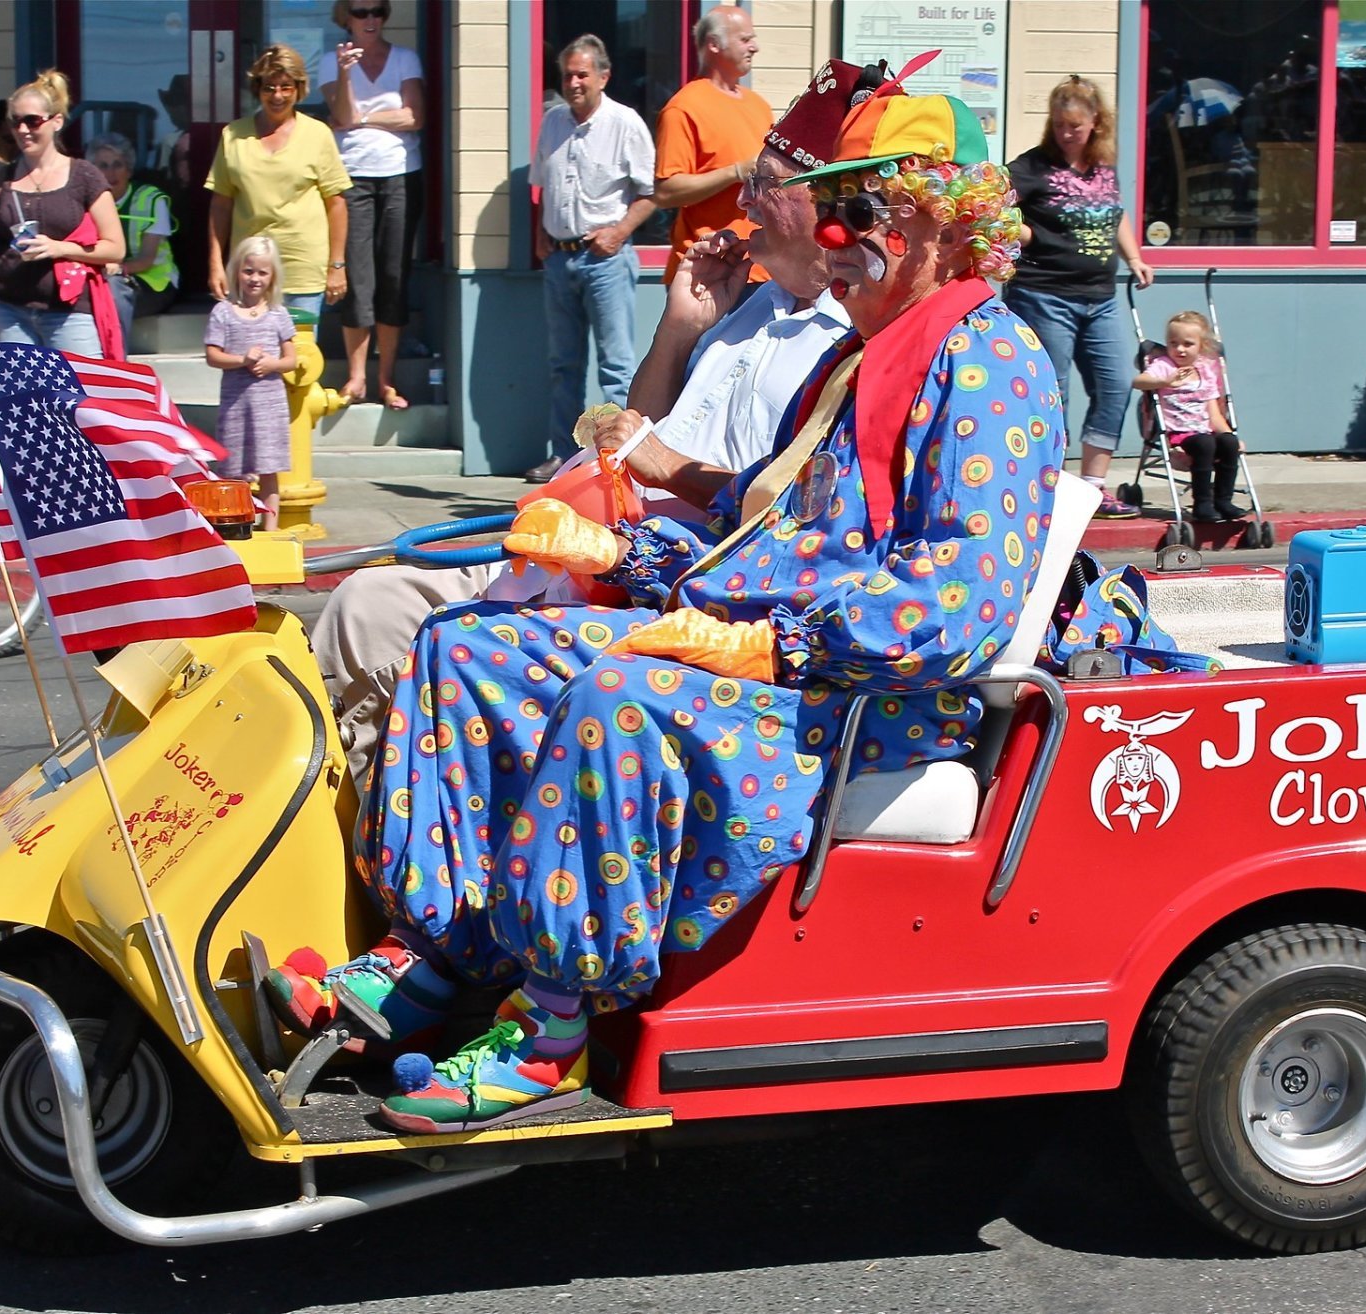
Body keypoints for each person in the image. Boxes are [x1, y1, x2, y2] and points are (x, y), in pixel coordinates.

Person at [272, 82, 1065, 1135]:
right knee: (471, 646)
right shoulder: (861, 357)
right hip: (765, 658)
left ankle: (551, 1030)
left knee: (620, 694)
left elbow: (952, 607)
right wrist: (621, 549)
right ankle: (435, 958)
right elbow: (764, 527)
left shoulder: (988, 363)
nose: (829, 238)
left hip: (864, 699)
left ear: (923, 224)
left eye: (853, 213)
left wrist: (761, 640)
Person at [308, 59, 883, 797]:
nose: (741, 198)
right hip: (579, 546)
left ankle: (412, 850)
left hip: (662, 581)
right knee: (366, 603)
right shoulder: (750, 304)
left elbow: (788, 511)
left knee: (403, 628)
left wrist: (665, 464)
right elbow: (633, 426)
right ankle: (372, 836)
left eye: (765, 185)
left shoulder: (853, 344)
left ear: (825, 206)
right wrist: (682, 325)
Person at [1004, 75, 1154, 520]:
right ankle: (1049, 482)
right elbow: (992, 208)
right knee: (1054, 392)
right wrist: (1026, 232)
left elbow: (1115, 215)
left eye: (1076, 125)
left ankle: (1092, 487)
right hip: (1044, 294)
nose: (1067, 133)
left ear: (1095, 124)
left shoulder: (1102, 168)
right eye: (1060, 124)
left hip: (1100, 297)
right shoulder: (1031, 168)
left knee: (1114, 384)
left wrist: (1135, 257)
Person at [525, 35, 656, 483]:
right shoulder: (553, 122)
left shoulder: (625, 122)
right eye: (568, 75)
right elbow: (543, 184)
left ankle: (618, 461)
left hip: (606, 260)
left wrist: (619, 232)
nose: (574, 82)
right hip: (560, 260)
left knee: (616, 368)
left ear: (604, 76)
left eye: (583, 74)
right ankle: (563, 456)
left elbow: (651, 192)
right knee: (564, 366)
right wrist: (541, 231)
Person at [0, 71, 127, 357]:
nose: (23, 130)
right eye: (15, 122)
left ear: (56, 122)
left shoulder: (84, 176)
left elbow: (115, 248)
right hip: (6, 310)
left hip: (69, 311)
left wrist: (58, 248)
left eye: (33, 121)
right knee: (20, 401)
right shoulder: (0, 180)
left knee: (77, 399)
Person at [317, 0, 426, 410]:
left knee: (394, 275)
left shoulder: (405, 57)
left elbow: (415, 116)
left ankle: (387, 379)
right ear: (345, 16)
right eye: (360, 12)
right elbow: (341, 113)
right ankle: (357, 376)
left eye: (377, 11)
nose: (370, 20)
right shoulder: (333, 62)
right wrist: (347, 75)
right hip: (352, 176)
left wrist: (362, 118)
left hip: (400, 173)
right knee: (358, 277)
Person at [206, 46, 350, 320]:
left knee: (300, 359)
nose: (278, 96)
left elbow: (337, 204)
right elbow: (220, 205)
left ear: (299, 89)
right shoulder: (233, 135)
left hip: (302, 267)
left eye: (286, 87)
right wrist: (216, 263)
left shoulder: (318, 134)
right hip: (249, 272)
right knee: (250, 357)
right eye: (269, 87)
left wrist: (337, 265)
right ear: (257, 89)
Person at [652, 4, 772, 286]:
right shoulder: (684, 108)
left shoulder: (759, 106)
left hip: (761, 271)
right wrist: (736, 172)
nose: (754, 47)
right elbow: (666, 192)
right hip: (707, 275)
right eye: (745, 39)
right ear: (713, 44)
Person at [204, 234, 297, 530]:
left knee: (269, 469)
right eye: (248, 271)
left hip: (269, 406)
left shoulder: (278, 314)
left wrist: (272, 364)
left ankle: (270, 529)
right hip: (235, 405)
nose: (254, 278)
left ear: (272, 276)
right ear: (236, 272)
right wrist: (243, 359)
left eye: (262, 272)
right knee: (233, 470)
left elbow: (291, 360)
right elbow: (212, 356)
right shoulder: (223, 312)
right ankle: (235, 526)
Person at [1134, 309, 1245, 522]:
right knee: (1205, 444)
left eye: (1187, 344)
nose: (1179, 349)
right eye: (1173, 343)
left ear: (1201, 346)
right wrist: (1164, 382)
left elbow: (1213, 413)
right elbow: (1138, 382)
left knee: (1229, 443)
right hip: (1178, 432)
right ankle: (1202, 503)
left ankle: (1223, 500)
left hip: (1204, 428)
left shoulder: (1205, 370)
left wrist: (1230, 434)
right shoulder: (1164, 365)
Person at [87, 132, 178, 349]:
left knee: (113, 294)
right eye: (103, 165)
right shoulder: (84, 200)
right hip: (102, 277)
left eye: (118, 164)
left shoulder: (150, 198)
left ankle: (116, 361)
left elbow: (147, 258)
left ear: (129, 168)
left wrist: (116, 268)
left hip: (152, 283)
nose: (111, 172)